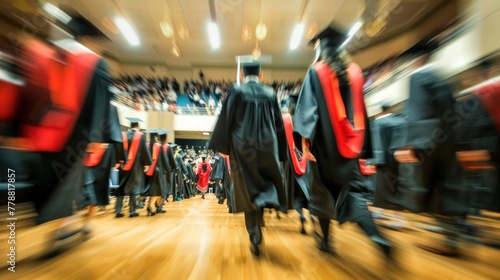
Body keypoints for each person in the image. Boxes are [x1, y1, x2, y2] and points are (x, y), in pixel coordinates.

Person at [293, 23, 393, 260]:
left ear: (322, 48)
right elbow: (362, 112)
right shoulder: (356, 72)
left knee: (322, 194)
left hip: (323, 151)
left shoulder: (316, 72)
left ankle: (326, 242)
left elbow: (309, 111)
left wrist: (304, 144)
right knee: (354, 195)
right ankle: (376, 237)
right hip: (351, 150)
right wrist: (364, 147)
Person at [209, 61, 288, 256]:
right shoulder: (271, 93)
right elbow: (278, 123)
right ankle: (260, 216)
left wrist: (223, 146)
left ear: (243, 75)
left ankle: (254, 235)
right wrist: (281, 150)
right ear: (260, 75)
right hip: (268, 146)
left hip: (243, 147)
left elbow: (226, 119)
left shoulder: (236, 90)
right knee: (264, 183)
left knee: (247, 188)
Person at [115, 117, 152, 218]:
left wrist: (118, 161)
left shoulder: (123, 135)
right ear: (138, 127)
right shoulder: (141, 136)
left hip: (123, 166)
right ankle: (132, 211)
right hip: (136, 167)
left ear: (130, 126)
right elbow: (144, 151)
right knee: (133, 188)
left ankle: (118, 210)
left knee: (121, 187)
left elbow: (118, 149)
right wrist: (146, 164)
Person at [143, 129, 170, 216]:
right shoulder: (159, 146)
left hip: (148, 171)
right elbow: (164, 160)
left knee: (153, 190)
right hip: (158, 171)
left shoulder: (147, 145)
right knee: (157, 190)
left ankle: (150, 207)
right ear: (156, 137)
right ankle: (150, 206)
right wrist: (168, 169)